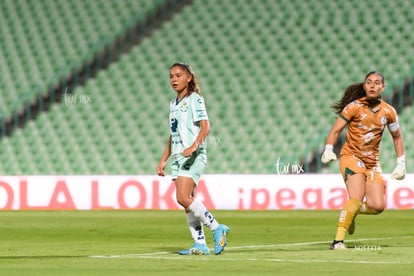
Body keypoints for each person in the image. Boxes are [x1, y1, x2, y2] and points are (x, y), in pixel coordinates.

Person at [321, 71, 406, 250]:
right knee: (357, 196)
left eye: (376, 83)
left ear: (383, 87)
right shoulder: (353, 107)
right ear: (365, 86)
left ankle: (350, 212)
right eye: (369, 82)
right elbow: (336, 130)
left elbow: (397, 137)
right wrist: (328, 148)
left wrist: (401, 163)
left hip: (372, 162)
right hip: (351, 156)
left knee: (377, 206)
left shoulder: (389, 111)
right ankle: (338, 241)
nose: (372, 85)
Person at [157, 62, 230, 255]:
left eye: (178, 75)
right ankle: (200, 244)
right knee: (187, 201)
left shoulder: (195, 99)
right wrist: (164, 159)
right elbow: (173, 135)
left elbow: (206, 127)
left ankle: (216, 227)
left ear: (189, 78)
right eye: (171, 76)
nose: (174, 79)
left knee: (182, 197)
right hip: (178, 157)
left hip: (194, 155)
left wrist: (193, 146)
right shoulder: (173, 104)